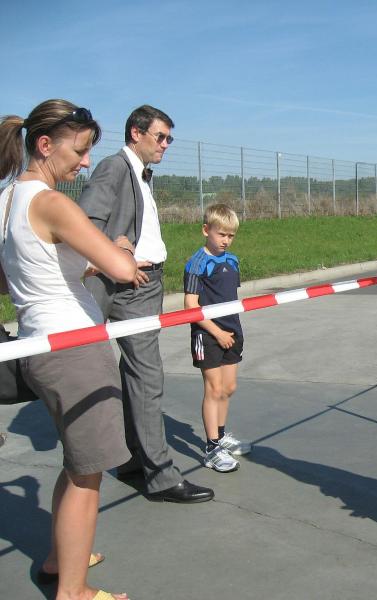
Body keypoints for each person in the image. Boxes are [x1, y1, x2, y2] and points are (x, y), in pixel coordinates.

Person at [0, 99, 137, 600]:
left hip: (38, 342)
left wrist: (84, 263)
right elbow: (123, 270)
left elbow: (17, 276)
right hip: (75, 349)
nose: (85, 162)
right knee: (87, 473)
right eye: (79, 151)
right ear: (44, 145)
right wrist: (121, 249)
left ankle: (61, 559)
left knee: (77, 461)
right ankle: (73, 590)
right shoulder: (52, 203)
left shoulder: (6, 199)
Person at [78, 105, 214, 503]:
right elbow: (85, 223)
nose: (166, 144)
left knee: (134, 375)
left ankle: (133, 461)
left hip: (143, 284)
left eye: (170, 138)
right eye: (161, 136)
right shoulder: (114, 167)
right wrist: (118, 255)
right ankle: (161, 476)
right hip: (127, 284)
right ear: (136, 133)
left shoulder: (139, 173)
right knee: (147, 377)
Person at [184, 204, 251, 473]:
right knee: (213, 389)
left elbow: (230, 297)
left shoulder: (232, 261)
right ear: (206, 230)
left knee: (228, 388)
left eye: (231, 235)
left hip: (232, 331)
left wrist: (230, 331)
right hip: (208, 334)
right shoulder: (197, 263)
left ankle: (221, 437)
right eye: (221, 234)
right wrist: (217, 332)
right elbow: (190, 306)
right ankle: (212, 448)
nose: (226, 240)